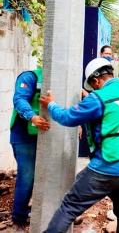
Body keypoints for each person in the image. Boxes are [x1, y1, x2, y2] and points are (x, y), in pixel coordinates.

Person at [39, 58, 119, 232]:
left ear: (96, 80)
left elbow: (68, 117)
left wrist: (51, 105)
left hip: (107, 166)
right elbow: (113, 113)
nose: (94, 89)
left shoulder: (99, 98)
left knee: (69, 206)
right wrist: (91, 97)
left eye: (93, 86)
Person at [9, 68, 50, 232]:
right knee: (27, 177)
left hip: (46, 134)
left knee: (50, 175)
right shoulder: (30, 77)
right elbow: (19, 99)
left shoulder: (64, 80)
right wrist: (32, 116)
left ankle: (48, 213)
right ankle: (19, 219)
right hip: (24, 135)